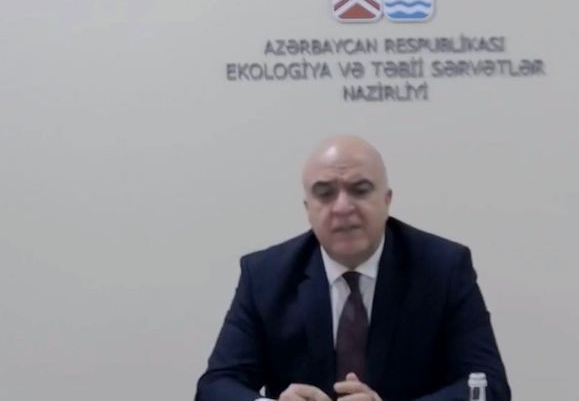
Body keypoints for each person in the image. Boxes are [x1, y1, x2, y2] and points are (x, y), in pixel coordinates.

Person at [195, 135, 511, 401]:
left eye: (360, 190)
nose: (343, 207)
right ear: (307, 209)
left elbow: (489, 386)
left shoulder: (444, 267)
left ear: (387, 200)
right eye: (325, 194)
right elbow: (215, 387)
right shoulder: (265, 275)